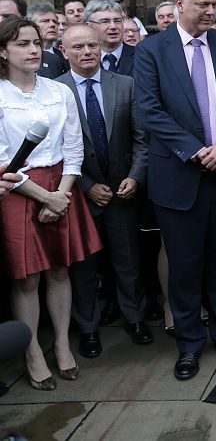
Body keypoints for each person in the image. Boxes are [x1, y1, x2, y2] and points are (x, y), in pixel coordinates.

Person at [134, 0, 216, 381]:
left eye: (214, 4)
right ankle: (189, 343)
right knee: (184, 267)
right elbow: (149, 110)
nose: (210, 11)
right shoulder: (152, 50)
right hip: (179, 177)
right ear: (179, 3)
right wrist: (195, 149)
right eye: (202, 4)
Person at [0, 17, 102, 390]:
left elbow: (74, 147)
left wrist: (61, 193)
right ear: (2, 52)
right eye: (22, 44)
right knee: (27, 278)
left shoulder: (59, 91)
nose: (33, 50)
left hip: (62, 185)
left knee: (60, 270)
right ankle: (31, 352)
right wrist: (45, 197)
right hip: (17, 189)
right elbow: (2, 158)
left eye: (36, 43)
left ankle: (61, 344)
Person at [57, 23, 152, 358]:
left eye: (92, 45)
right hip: (80, 196)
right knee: (84, 268)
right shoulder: (56, 91)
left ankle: (135, 318)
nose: (87, 52)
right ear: (64, 51)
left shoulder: (125, 85)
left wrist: (136, 177)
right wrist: (85, 185)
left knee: (128, 261)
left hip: (122, 191)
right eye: (78, 47)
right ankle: (88, 328)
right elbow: (57, 149)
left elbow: (142, 139)